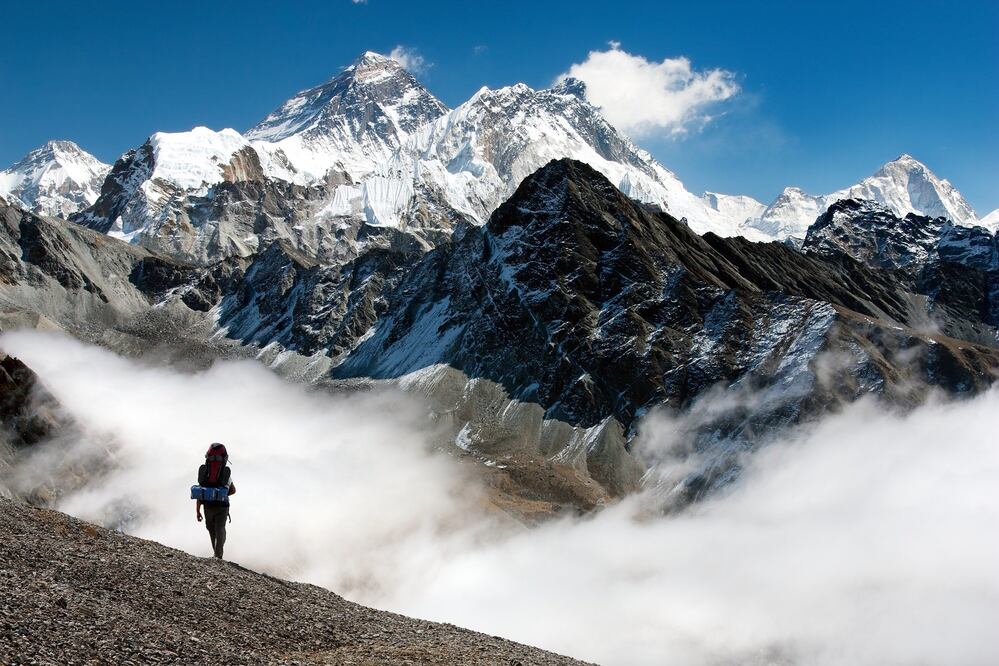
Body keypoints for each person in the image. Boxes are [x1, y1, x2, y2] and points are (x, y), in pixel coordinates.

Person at [195, 443, 236, 559]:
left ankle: (216, 555)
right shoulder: (225, 474)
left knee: (211, 530)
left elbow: (200, 493)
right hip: (222, 507)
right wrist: (221, 494)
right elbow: (233, 490)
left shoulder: (205, 473)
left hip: (207, 507)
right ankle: (218, 556)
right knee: (220, 529)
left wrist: (198, 511)